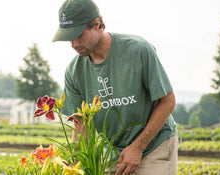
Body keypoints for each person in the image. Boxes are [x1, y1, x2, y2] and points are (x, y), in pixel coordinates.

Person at [52, 0, 178, 175]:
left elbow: (168, 101)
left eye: (78, 34)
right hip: (113, 151)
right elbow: (81, 123)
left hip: (154, 144)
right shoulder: (74, 71)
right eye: (69, 37)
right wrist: (76, 162)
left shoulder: (138, 50)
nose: (73, 44)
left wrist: (138, 147)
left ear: (96, 24)